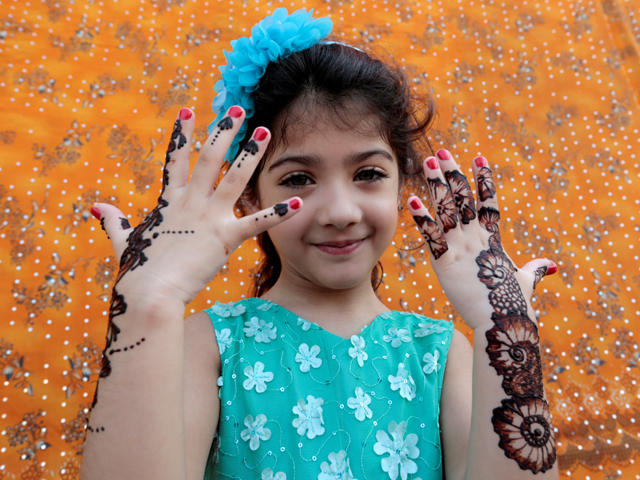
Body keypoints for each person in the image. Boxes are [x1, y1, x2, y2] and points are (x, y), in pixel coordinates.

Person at [79, 8, 559, 480]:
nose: (340, 212)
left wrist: (504, 327)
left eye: (368, 173)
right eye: (299, 178)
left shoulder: (443, 354)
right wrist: (148, 305)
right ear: (248, 195)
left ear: (402, 185)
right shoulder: (205, 348)